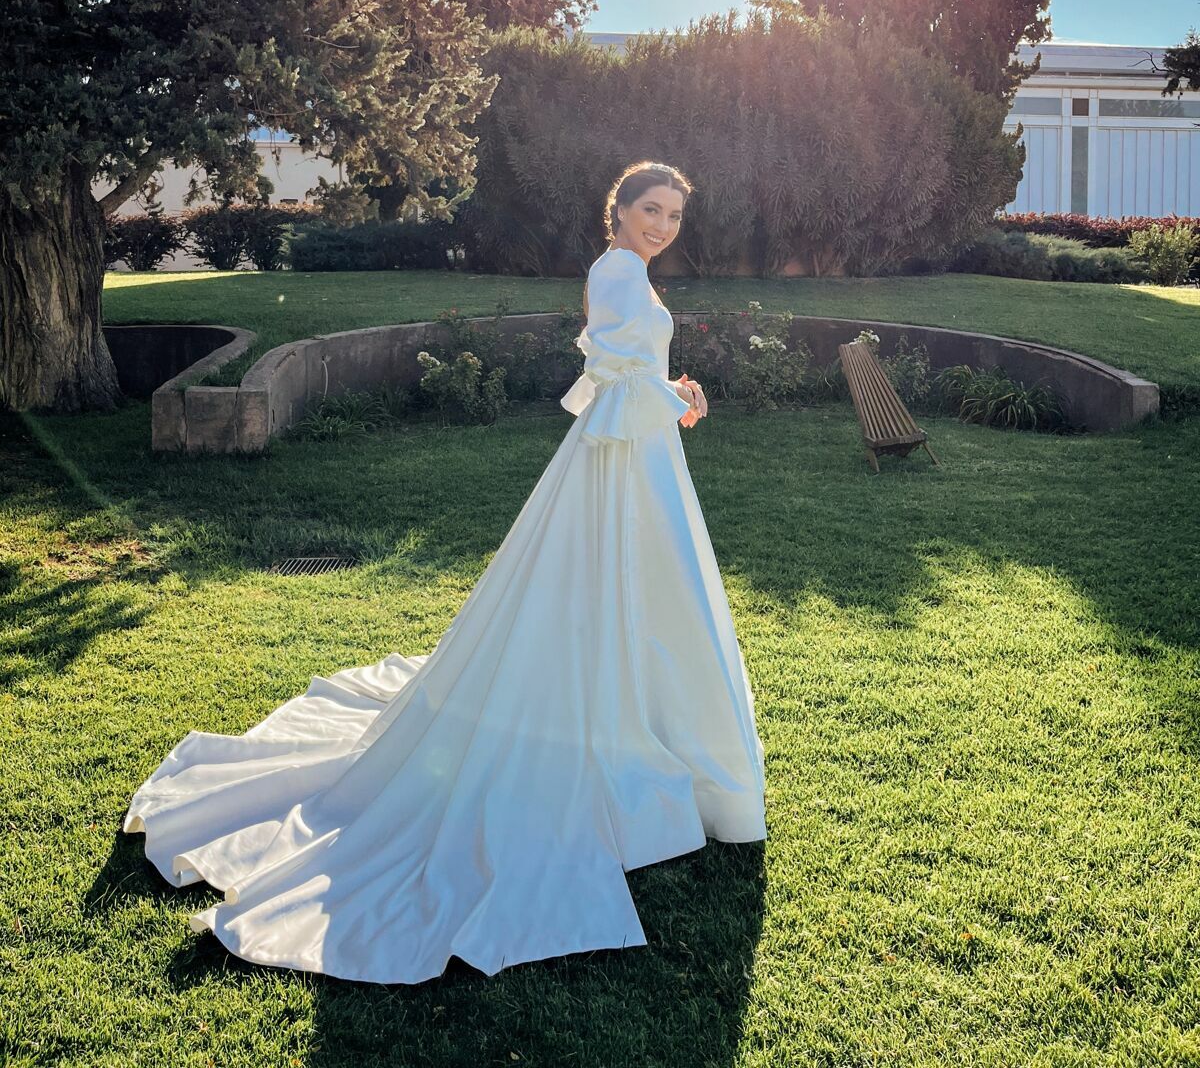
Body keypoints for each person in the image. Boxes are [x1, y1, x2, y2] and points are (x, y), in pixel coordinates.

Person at [122, 160, 767, 984]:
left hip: (636, 456)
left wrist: (675, 392)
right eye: (651, 209)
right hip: (620, 462)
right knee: (609, 594)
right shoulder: (615, 270)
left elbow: (625, 374)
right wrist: (658, 393)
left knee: (639, 595)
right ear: (620, 211)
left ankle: (641, 723)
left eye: (675, 214)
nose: (663, 225)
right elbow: (609, 371)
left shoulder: (629, 273)